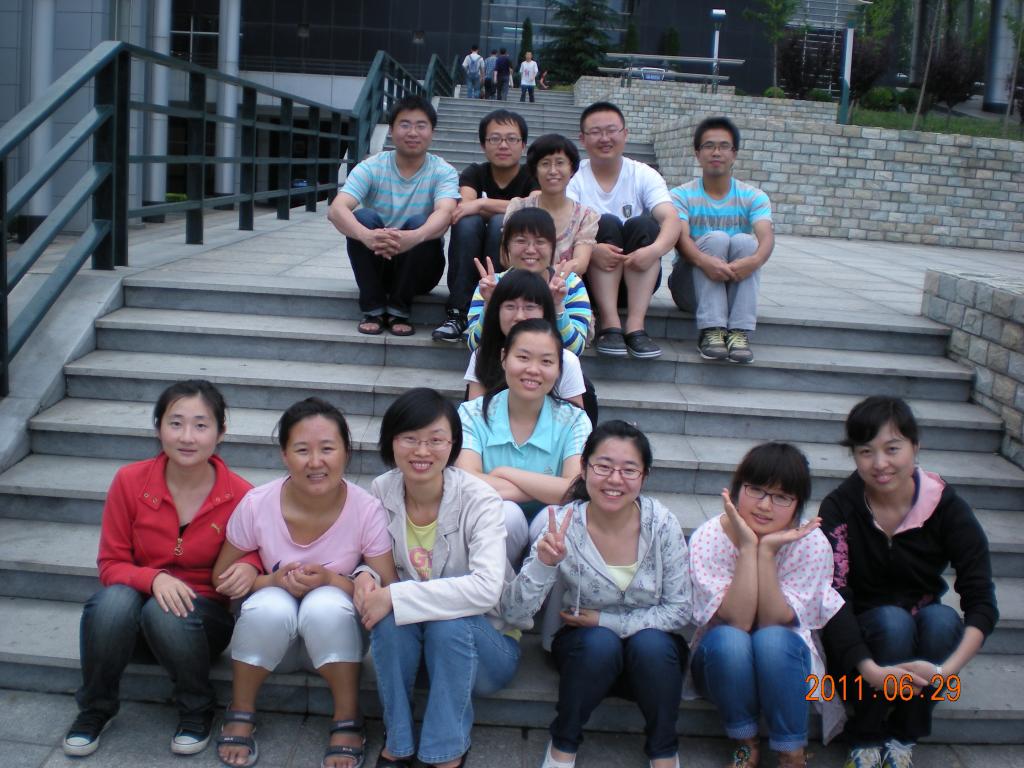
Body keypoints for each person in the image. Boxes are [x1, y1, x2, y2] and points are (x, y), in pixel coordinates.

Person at [63, 380, 257, 758]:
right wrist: (154, 578)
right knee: (111, 601)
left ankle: (197, 708)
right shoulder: (129, 481)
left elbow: (256, 553)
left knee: (164, 611)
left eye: (201, 425)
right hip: (131, 623)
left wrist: (249, 567)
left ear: (220, 433)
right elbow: (110, 563)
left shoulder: (242, 494)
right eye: (176, 423)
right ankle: (95, 709)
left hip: (201, 627)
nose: (187, 437)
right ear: (158, 428)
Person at [213, 398, 398, 768]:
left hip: (336, 643)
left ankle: (348, 715)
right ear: (284, 455)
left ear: (346, 452)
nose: (315, 462)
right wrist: (269, 579)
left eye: (327, 449)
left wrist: (331, 579)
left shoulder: (366, 509)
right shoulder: (257, 503)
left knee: (324, 602)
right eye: (302, 450)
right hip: (271, 648)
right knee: (271, 603)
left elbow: (387, 591)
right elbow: (220, 577)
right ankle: (241, 709)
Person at [820, 396, 999, 768]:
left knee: (942, 621)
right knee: (893, 623)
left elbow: (981, 599)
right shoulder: (840, 507)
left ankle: (904, 733)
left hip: (921, 630)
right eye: (866, 451)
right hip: (859, 643)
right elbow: (833, 598)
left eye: (892, 448)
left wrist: (945, 673)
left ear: (915, 447)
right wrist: (869, 670)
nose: (880, 464)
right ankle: (866, 735)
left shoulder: (946, 507)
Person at [501, 420, 691, 768]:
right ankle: (563, 747)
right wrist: (543, 563)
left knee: (651, 645)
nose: (615, 479)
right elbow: (514, 613)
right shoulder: (563, 525)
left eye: (628, 469)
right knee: (599, 643)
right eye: (603, 466)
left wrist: (606, 620)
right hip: (585, 656)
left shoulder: (662, 524)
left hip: (651, 661)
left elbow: (680, 610)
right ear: (585, 468)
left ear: (644, 476)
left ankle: (664, 751)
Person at [361, 388, 523, 768]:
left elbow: (485, 590)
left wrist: (395, 596)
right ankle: (398, 742)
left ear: (452, 445)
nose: (422, 451)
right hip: (421, 643)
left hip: (488, 645)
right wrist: (363, 575)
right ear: (391, 442)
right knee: (388, 620)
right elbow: (372, 554)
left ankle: (446, 752)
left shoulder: (480, 499)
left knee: (449, 624)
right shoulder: (381, 490)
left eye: (435, 440)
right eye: (410, 439)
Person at [688, 442, 843, 768]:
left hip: (786, 665)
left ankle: (791, 753)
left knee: (772, 639)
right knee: (730, 639)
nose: (764, 505)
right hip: (721, 665)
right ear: (737, 489)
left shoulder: (811, 543)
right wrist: (749, 548)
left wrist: (768, 551)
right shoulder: (709, 537)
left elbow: (776, 620)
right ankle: (745, 744)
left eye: (781, 497)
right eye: (755, 490)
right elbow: (739, 620)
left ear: (798, 504)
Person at [456, 318, 592, 564]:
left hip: (549, 531)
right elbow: (466, 483)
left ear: (559, 368)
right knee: (505, 513)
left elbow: (574, 488)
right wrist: (544, 490)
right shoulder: (472, 414)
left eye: (546, 361)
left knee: (555, 517)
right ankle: (495, 588)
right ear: (503, 358)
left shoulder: (574, 420)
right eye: (523, 357)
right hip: (488, 525)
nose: (533, 370)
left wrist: (505, 473)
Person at [328, 95, 459, 337]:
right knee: (363, 217)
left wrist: (414, 237)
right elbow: (336, 209)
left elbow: (446, 212)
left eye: (421, 125)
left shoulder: (443, 171)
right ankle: (373, 309)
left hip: (421, 270)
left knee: (421, 222)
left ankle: (400, 309)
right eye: (404, 124)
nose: (413, 132)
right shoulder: (372, 166)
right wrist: (366, 236)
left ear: (432, 131)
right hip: (378, 263)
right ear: (391, 129)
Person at [567, 101, 681, 359]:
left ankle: (636, 327)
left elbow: (671, 219)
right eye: (596, 132)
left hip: (638, 278)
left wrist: (654, 251)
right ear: (582, 139)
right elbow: (563, 226)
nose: (604, 138)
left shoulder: (643, 174)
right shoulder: (574, 177)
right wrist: (592, 250)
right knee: (605, 222)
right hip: (589, 281)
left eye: (612, 130)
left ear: (625, 134)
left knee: (644, 224)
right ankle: (610, 324)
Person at [669, 116, 774, 364]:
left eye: (724, 146)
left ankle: (738, 331)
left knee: (746, 243)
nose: (716, 152)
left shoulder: (753, 196)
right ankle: (711, 330)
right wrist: (703, 261)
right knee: (716, 239)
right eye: (709, 146)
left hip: (732, 286)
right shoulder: (680, 195)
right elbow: (680, 239)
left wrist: (755, 260)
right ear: (697, 153)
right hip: (690, 288)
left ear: (734, 154)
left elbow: (766, 236)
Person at [434, 110, 538, 342]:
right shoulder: (475, 173)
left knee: (501, 222)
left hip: (515, 256)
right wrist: (503, 206)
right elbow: (464, 208)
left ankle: (495, 310)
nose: (503, 145)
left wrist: (482, 203)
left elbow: (534, 206)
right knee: (466, 222)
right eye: (495, 139)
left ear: (523, 146)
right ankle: (459, 312)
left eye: (512, 139)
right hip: (475, 245)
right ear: (483, 145)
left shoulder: (532, 176)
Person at [467, 207, 593, 356]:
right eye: (521, 241)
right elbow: (475, 347)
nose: (531, 250)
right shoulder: (491, 285)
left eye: (540, 242)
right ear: (507, 246)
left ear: (553, 247)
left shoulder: (569, 285)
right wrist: (491, 304)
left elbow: (574, 350)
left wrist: (557, 305)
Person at [466, 269, 588, 414]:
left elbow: (575, 421)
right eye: (510, 306)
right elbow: (473, 417)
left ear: (545, 311)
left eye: (529, 307)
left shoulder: (567, 361)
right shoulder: (482, 355)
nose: (519, 316)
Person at [505, 133, 599, 278]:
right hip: (523, 285)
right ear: (535, 171)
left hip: (566, 287)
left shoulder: (585, 216)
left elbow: (580, 263)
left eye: (560, 163)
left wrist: (544, 273)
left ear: (572, 169)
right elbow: (506, 257)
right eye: (545, 164)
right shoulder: (518, 208)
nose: (553, 171)